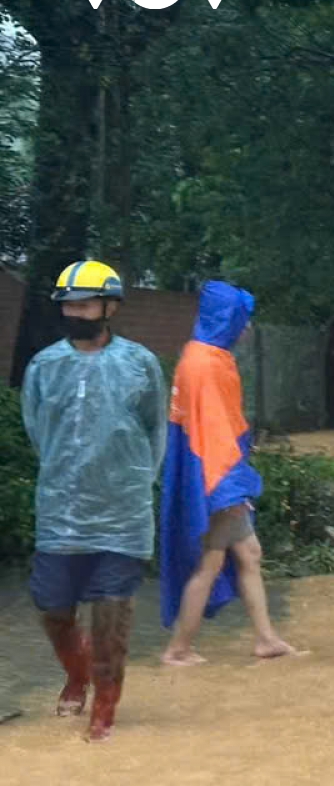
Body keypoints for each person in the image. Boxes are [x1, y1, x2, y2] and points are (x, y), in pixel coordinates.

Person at [22, 260, 166, 742]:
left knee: (111, 618)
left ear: (110, 307)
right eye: (68, 304)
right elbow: (38, 431)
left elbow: (155, 430)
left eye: (83, 304)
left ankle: (104, 708)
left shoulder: (140, 363)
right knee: (53, 609)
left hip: (123, 514)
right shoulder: (45, 365)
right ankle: (77, 674)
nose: (74, 312)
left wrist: (135, 482)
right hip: (60, 512)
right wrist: (70, 474)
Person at [160, 280, 295, 669]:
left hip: (216, 477)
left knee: (247, 554)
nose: (247, 328)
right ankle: (178, 649)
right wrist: (230, 492)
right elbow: (212, 436)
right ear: (227, 318)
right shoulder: (204, 364)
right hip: (218, 481)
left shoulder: (204, 355)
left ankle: (266, 638)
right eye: (242, 318)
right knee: (212, 562)